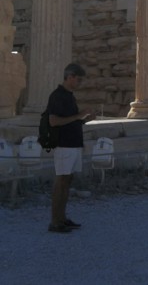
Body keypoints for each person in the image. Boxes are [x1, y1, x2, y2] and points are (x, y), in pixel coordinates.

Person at [46, 62, 96, 233]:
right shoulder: (57, 95)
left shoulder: (69, 96)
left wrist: (85, 119)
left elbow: (71, 121)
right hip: (64, 145)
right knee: (61, 182)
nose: (80, 83)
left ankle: (62, 218)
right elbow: (53, 121)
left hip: (73, 144)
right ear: (70, 77)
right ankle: (54, 222)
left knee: (67, 182)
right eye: (79, 80)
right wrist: (79, 115)